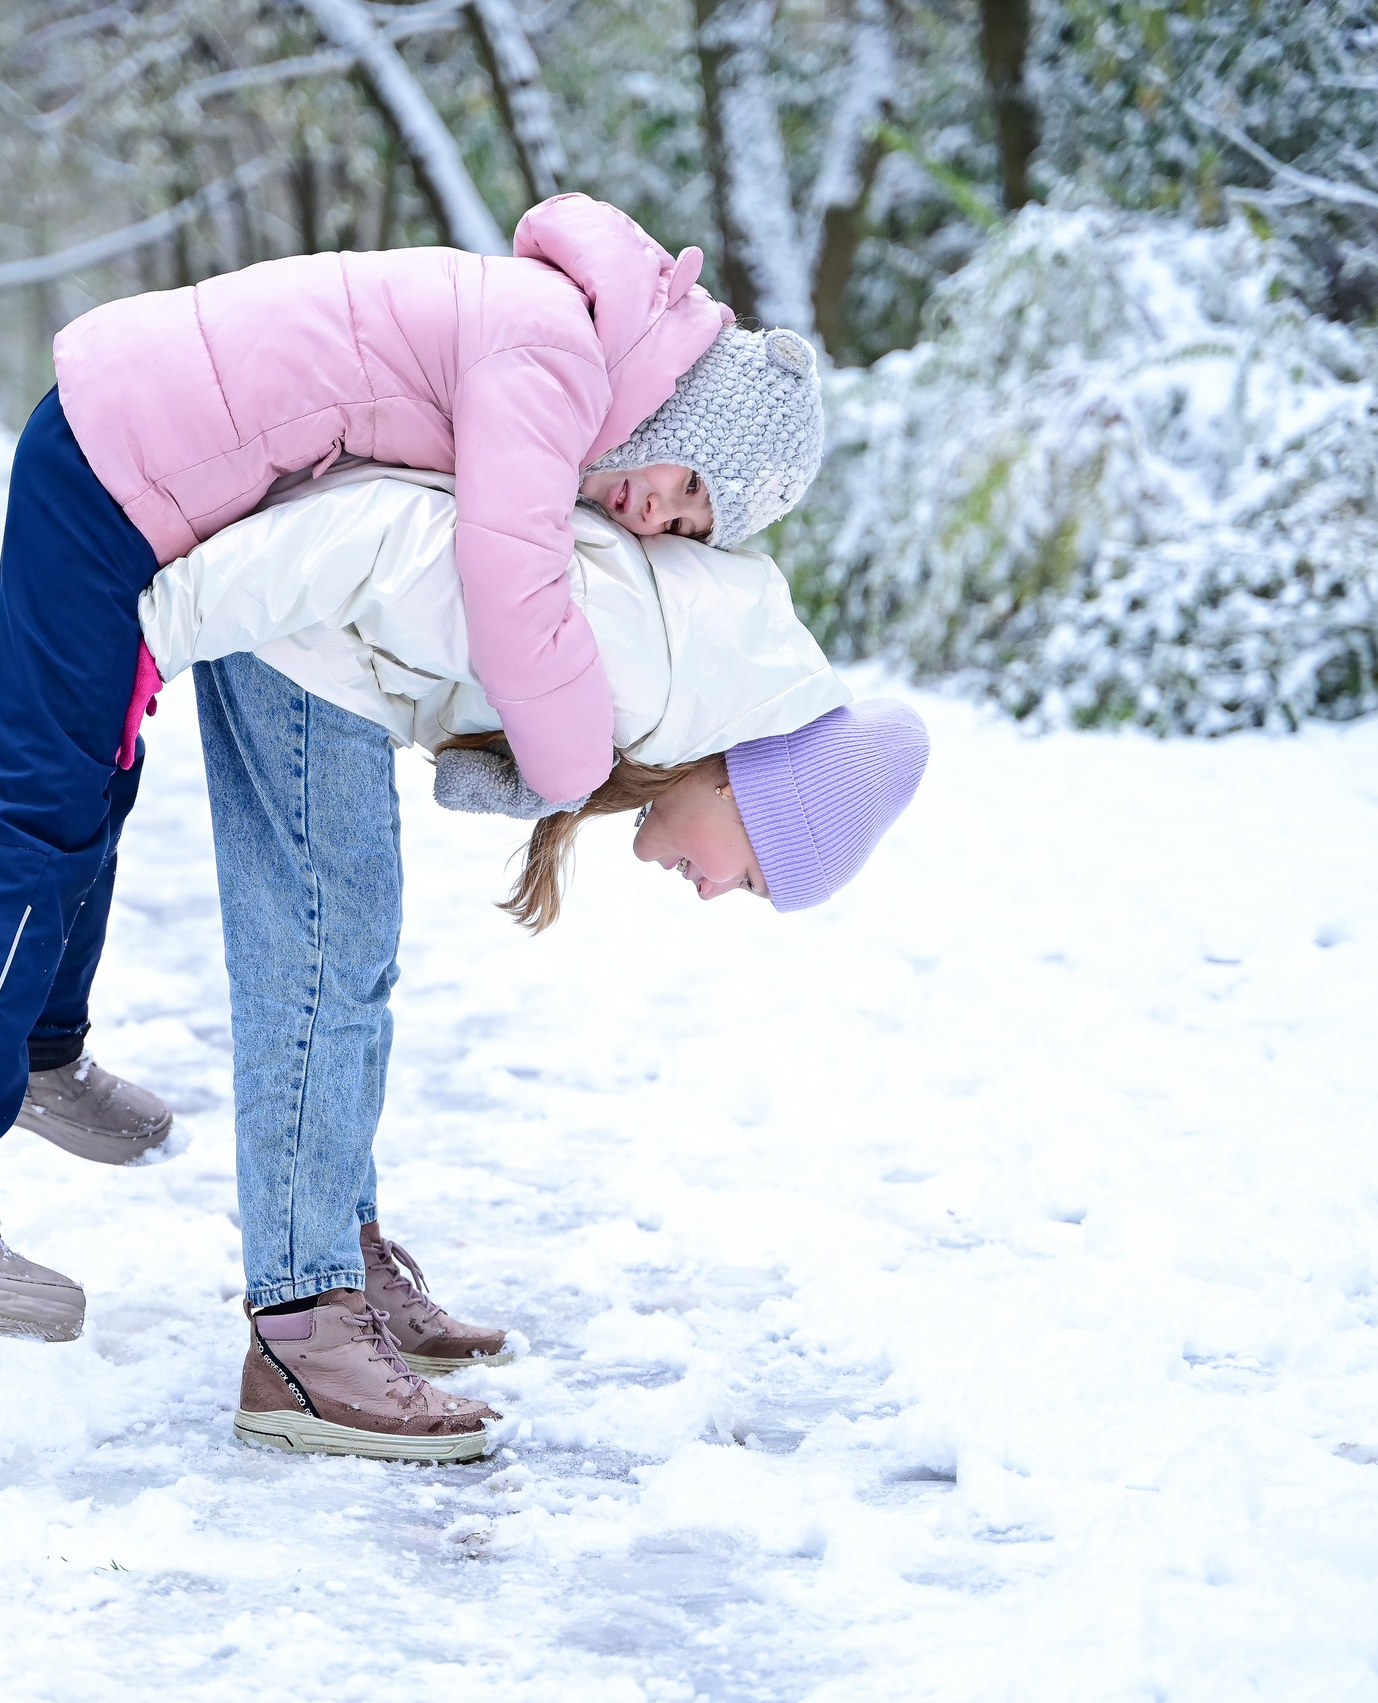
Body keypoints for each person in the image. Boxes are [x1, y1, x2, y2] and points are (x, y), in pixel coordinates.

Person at [140, 460, 929, 1460]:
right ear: (746, 791)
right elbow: (398, 545)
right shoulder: (653, 662)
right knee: (315, 963)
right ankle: (304, 1324)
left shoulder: (693, 676)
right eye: (755, 877)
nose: (716, 891)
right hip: (297, 614)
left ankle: (337, 1258)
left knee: (350, 962)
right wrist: (160, 627)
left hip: (322, 635)